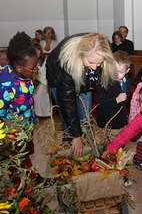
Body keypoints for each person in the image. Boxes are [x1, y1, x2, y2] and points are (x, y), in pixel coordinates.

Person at [46, 33, 116, 156]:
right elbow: (67, 102)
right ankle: (69, 143)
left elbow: (102, 83)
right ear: (81, 55)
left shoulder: (101, 51)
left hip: (82, 77)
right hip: (58, 81)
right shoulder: (66, 63)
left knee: (86, 118)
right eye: (91, 62)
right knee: (66, 116)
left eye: (99, 64)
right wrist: (76, 135)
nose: (95, 68)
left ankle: (88, 144)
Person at [0, 32, 39, 176]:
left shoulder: (24, 73)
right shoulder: (6, 86)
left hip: (26, 128)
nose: (35, 70)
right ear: (18, 67)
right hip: (12, 137)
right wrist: (9, 140)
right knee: (16, 168)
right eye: (33, 68)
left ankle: (31, 176)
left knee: (26, 157)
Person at [96, 50, 131, 136]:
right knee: (109, 146)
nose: (116, 74)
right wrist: (116, 100)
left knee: (120, 144)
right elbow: (100, 104)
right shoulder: (104, 82)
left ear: (127, 70)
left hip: (121, 119)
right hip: (108, 122)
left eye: (120, 72)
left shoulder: (127, 81)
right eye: (114, 70)